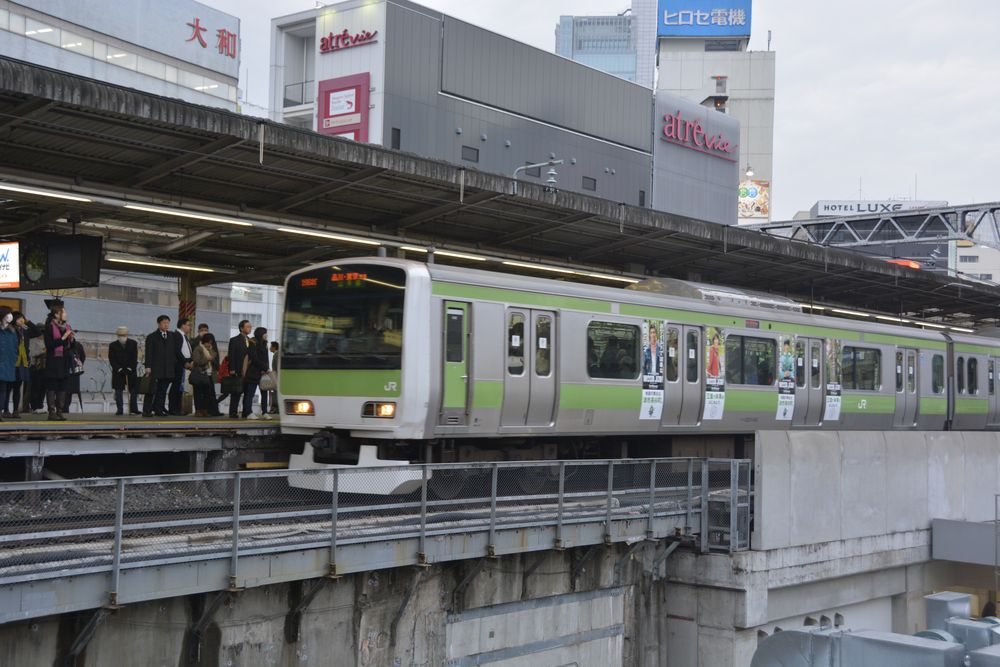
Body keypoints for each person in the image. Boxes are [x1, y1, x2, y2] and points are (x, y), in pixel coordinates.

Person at [42, 299, 74, 421]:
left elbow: (71, 346)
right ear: (56, 314)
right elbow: (49, 345)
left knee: (62, 386)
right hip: (54, 361)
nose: (66, 314)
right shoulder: (49, 327)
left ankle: (60, 411)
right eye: (63, 312)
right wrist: (63, 337)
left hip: (65, 361)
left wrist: (71, 339)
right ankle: (51, 412)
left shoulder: (67, 327)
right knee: (52, 386)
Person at [143, 315, 177, 418]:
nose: (166, 325)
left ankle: (159, 409)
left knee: (162, 391)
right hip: (155, 368)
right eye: (164, 323)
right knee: (151, 390)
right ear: (159, 324)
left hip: (167, 369)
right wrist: (148, 366)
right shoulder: (151, 337)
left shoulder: (172, 336)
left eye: (168, 323)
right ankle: (146, 411)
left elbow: (174, 352)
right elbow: (149, 353)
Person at [108, 326, 140, 416]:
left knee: (133, 390)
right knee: (118, 391)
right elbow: (112, 359)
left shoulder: (133, 343)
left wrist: (130, 368)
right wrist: (119, 368)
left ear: (127, 335)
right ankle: (120, 410)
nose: (122, 336)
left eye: (124, 335)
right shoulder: (112, 345)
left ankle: (134, 409)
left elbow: (134, 357)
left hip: (131, 370)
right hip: (118, 372)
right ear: (118, 335)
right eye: (120, 335)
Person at [7, 312, 33, 417]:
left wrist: (28, 322)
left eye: (22, 318)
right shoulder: (11, 330)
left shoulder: (25, 330)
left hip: (22, 362)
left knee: (17, 387)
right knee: (8, 387)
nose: (21, 320)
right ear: (14, 320)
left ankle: (15, 410)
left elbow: (37, 332)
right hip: (12, 361)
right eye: (19, 318)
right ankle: (5, 410)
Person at [226, 319, 253, 419]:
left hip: (249, 371)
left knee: (247, 392)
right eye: (247, 326)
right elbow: (231, 355)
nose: (250, 328)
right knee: (236, 392)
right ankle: (233, 412)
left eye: (250, 326)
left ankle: (246, 412)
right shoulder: (234, 340)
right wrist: (232, 369)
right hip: (237, 369)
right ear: (241, 328)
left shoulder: (251, 341)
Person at [191, 333, 221, 417]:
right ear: (204, 341)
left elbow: (215, 360)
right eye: (208, 342)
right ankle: (198, 410)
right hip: (200, 374)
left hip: (210, 374)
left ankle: (205, 409)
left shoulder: (211, 350)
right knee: (198, 393)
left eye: (211, 342)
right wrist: (207, 359)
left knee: (208, 393)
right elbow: (197, 361)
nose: (209, 344)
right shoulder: (198, 349)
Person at [168, 317, 193, 416]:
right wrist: (184, 362)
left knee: (180, 388)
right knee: (176, 387)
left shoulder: (183, 336)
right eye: (188, 325)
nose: (189, 327)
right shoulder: (177, 335)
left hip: (184, 363)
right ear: (182, 325)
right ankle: (174, 409)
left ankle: (178, 408)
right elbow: (177, 351)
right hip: (179, 364)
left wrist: (190, 361)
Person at [244, 327, 270, 419]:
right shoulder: (253, 343)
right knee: (250, 393)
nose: (266, 335)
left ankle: (265, 412)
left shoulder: (265, 344)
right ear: (260, 334)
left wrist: (267, 368)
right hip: (253, 372)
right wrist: (265, 367)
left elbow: (266, 359)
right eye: (265, 333)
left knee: (264, 393)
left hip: (263, 373)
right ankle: (249, 413)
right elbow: (254, 358)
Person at [0, 307, 17, 422]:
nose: (10, 316)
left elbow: (14, 349)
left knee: (3, 391)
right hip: (4, 364)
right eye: (8, 313)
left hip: (7, 366)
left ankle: (1, 411)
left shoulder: (12, 331)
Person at [65, 339, 86, 412]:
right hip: (75, 373)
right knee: (69, 392)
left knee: (65, 392)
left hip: (65, 372)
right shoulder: (78, 345)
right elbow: (83, 357)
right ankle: (66, 408)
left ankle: (65, 409)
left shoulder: (63, 344)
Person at [268, 341, 280, 414]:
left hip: (277, 377)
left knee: (275, 393)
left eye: (271, 346)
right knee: (275, 392)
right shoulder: (276, 354)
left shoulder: (277, 354)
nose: (270, 348)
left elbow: (277, 367)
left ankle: (275, 409)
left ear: (274, 347)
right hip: (276, 376)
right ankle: (275, 408)